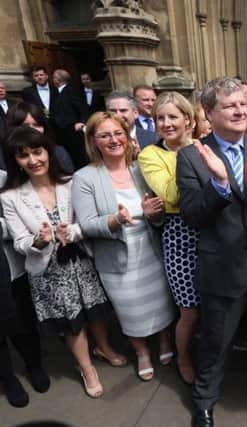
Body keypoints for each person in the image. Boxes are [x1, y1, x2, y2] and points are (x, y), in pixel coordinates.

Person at [176, 77, 247, 427]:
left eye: (243, 103)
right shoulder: (192, 156)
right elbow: (193, 215)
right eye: (229, 105)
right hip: (222, 266)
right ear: (208, 112)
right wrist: (221, 185)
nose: (240, 110)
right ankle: (204, 398)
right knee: (216, 339)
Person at [0, 126, 124, 398]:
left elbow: (88, 219)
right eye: (23, 156)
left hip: (81, 257)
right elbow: (20, 241)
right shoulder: (10, 196)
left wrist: (75, 230)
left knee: (95, 309)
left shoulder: (72, 181)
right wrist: (39, 241)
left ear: (48, 151)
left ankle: (103, 347)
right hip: (48, 268)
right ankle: (87, 368)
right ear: (15, 161)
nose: (33, 160)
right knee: (71, 320)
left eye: (37, 151)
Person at [73, 112, 175, 382]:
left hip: (151, 251)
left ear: (127, 137)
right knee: (129, 311)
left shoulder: (141, 168)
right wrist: (116, 220)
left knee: (162, 302)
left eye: (118, 133)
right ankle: (141, 352)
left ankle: (165, 342)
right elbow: (86, 224)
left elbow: (159, 211)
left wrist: (154, 213)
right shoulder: (85, 177)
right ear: (94, 141)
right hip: (116, 258)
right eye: (105, 135)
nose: (113, 140)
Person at [138, 92, 201, 385]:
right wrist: (192, 158)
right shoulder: (150, 155)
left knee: (213, 303)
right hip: (179, 236)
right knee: (188, 309)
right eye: (160, 118)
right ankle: (184, 358)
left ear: (188, 119)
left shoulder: (204, 146)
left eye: (173, 116)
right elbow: (173, 196)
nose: (166, 123)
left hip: (211, 231)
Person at [0, 169, 50, 407]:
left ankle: (34, 365)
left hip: (10, 267)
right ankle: (8, 379)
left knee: (23, 322)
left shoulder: (3, 179)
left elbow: (19, 223)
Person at [3, 102, 74, 172]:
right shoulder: (4, 157)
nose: (33, 130)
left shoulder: (58, 152)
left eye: (37, 125)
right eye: (25, 126)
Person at [50, 69, 89, 169]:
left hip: (72, 129)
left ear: (59, 79)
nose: (52, 79)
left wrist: (82, 122)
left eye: (54, 77)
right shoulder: (56, 92)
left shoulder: (71, 90)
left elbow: (82, 107)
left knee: (79, 156)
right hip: (62, 131)